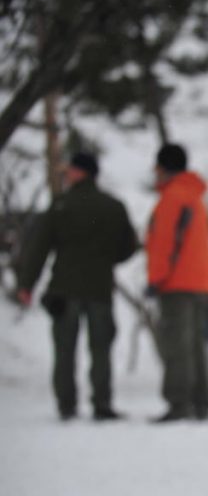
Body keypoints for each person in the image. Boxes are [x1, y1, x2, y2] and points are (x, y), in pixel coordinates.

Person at [16, 152, 138, 421]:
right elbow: (129, 246)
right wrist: (107, 260)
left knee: (65, 350)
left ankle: (67, 404)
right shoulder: (113, 206)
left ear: (80, 172)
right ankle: (102, 403)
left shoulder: (61, 204)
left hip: (65, 288)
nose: (66, 174)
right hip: (100, 288)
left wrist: (27, 284)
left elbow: (39, 248)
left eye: (69, 170)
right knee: (101, 349)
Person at [146, 143, 208, 422]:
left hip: (177, 283)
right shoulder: (196, 198)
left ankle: (179, 403)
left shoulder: (172, 198)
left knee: (177, 345)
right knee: (196, 345)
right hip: (200, 281)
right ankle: (201, 402)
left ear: (163, 168)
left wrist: (156, 279)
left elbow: (164, 243)